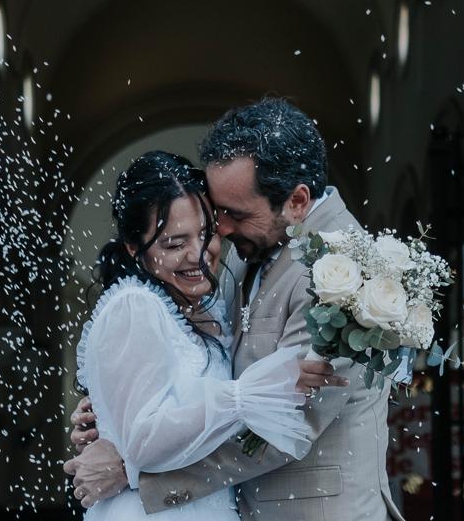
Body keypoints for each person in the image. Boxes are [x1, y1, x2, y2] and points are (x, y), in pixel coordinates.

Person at [67, 99, 407, 520]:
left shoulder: (344, 270)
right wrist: (113, 416)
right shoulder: (257, 246)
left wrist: (133, 470)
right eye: (217, 214)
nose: (221, 231)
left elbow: (289, 420)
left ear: (297, 201)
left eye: (233, 214)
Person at [72, 149, 343, 519]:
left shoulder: (210, 305)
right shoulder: (135, 307)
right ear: (134, 249)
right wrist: (243, 395)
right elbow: (142, 441)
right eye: (174, 243)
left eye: (206, 233)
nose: (198, 255)